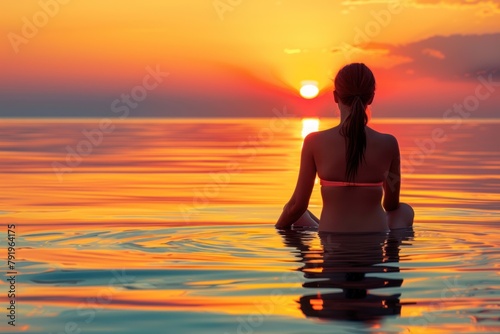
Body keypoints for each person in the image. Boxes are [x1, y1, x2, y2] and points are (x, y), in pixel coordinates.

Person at [275, 63, 414, 233]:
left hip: (331, 244)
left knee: (298, 213)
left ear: (335, 96)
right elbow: (391, 205)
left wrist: (278, 228)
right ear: (370, 98)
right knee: (404, 210)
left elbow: (296, 206)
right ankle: (393, 251)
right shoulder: (389, 143)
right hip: (375, 244)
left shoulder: (314, 141)